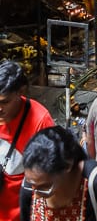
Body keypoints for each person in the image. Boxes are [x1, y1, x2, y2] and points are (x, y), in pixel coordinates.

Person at [18, 126, 97, 221]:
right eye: (32, 184)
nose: (36, 195)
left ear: (68, 165)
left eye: (45, 187)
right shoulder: (32, 184)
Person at [0, 60, 55, 221]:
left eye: (5, 102)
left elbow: (50, 179)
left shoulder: (40, 121)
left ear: (20, 92)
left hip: (21, 214)